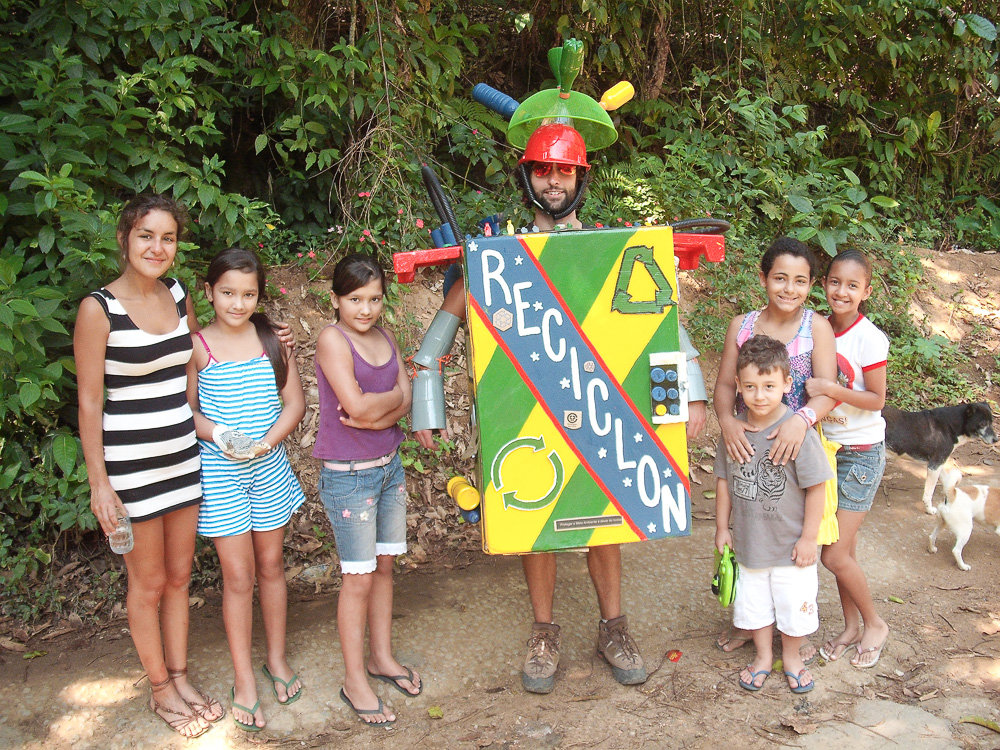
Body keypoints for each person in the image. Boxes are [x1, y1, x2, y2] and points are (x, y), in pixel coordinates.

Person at [411, 122, 709, 694]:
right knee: (532, 517)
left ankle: (613, 627)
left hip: (600, 401)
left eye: (564, 171)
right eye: (544, 170)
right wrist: (427, 402)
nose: (553, 181)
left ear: (581, 179)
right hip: (526, 407)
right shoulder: (499, 254)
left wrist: (690, 390)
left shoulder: (612, 248)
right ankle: (543, 632)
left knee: (607, 510)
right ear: (527, 176)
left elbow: (660, 318)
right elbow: (439, 336)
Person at [75, 195, 225, 737]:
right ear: (124, 239)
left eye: (167, 238)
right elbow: (90, 402)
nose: (157, 248)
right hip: (131, 468)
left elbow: (193, 361)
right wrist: (100, 485)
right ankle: (160, 689)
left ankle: (180, 675)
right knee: (148, 581)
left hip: (182, 454)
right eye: (146, 236)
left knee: (181, 576)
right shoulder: (99, 309)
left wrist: (264, 342)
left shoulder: (179, 293)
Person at [186, 248, 306, 731]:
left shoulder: (272, 341)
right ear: (210, 291)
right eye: (228, 293)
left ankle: (275, 659)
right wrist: (222, 436)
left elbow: (293, 404)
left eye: (249, 294)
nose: (238, 303)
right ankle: (244, 680)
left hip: (268, 467)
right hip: (220, 476)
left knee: (272, 566)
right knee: (238, 577)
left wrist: (263, 446)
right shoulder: (197, 346)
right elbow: (187, 413)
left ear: (260, 295)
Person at [712, 236, 838, 657]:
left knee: (794, 535)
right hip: (749, 439)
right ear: (763, 278)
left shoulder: (817, 327)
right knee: (751, 527)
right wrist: (728, 423)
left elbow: (826, 391)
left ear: (811, 285)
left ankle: (791, 630)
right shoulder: (742, 325)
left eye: (800, 281)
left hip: (797, 443)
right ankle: (754, 623)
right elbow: (726, 386)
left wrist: (800, 422)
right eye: (780, 278)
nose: (789, 289)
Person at [314, 254, 420, 726]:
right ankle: (353, 678)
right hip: (349, 476)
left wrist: (383, 408)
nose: (366, 309)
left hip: (388, 468)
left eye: (375, 299)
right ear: (336, 299)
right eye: (355, 299)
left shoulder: (386, 337)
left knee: (384, 569)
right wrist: (388, 403)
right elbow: (353, 407)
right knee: (357, 579)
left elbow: (402, 400)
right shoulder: (331, 339)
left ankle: (380, 658)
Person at [714, 335, 832, 694]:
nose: (759, 395)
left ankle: (792, 658)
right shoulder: (733, 432)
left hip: (792, 547)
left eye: (768, 386)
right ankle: (764, 656)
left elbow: (817, 487)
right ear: (738, 386)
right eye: (750, 386)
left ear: (786, 383)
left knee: (793, 606)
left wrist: (809, 538)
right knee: (755, 605)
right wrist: (722, 528)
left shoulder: (797, 434)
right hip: (750, 545)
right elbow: (723, 481)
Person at [805, 249, 891, 668]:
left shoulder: (869, 338)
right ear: (824, 284)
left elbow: (876, 400)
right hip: (827, 451)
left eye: (852, 286)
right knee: (846, 553)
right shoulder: (817, 329)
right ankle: (851, 627)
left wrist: (831, 388)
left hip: (860, 455)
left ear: (866, 292)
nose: (842, 291)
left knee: (834, 555)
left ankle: (875, 624)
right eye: (835, 282)